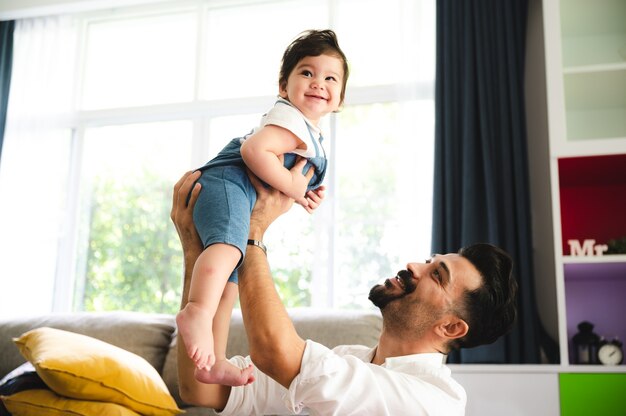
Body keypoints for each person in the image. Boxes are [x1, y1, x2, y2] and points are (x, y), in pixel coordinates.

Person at [171, 170, 518, 415]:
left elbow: (276, 353)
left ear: (451, 328)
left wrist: (252, 232)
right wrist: (196, 253)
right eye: (430, 261)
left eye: (436, 275)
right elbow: (201, 389)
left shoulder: (435, 402)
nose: (415, 266)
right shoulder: (348, 357)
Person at [175, 29, 349, 387]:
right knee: (226, 251)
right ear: (284, 87)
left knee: (228, 280)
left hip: (240, 194)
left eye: (330, 78)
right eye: (307, 72)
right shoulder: (290, 120)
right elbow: (253, 152)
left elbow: (285, 171)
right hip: (226, 183)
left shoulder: (309, 132)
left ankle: (212, 363)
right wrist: (292, 185)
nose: (319, 83)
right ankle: (196, 311)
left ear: (339, 99)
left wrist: (301, 192)